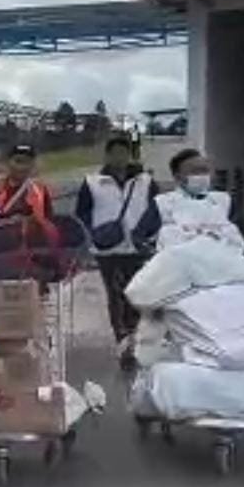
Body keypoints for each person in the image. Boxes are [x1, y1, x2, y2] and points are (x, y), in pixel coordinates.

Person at [75, 135, 160, 370]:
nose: (119, 157)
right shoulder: (92, 182)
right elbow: (82, 214)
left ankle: (136, 339)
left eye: (123, 152)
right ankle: (123, 343)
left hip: (138, 249)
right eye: (114, 153)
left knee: (138, 295)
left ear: (130, 155)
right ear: (107, 155)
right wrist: (93, 237)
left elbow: (157, 210)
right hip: (107, 250)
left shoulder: (145, 181)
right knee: (115, 296)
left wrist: (149, 236)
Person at [154, 148, 244, 251]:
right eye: (195, 171)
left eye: (205, 170)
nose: (202, 175)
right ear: (177, 177)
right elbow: (143, 240)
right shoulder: (163, 203)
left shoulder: (223, 200)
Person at [0, 143, 55, 224]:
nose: (22, 167)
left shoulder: (40, 190)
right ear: (8, 163)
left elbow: (49, 221)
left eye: (27, 162)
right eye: (18, 161)